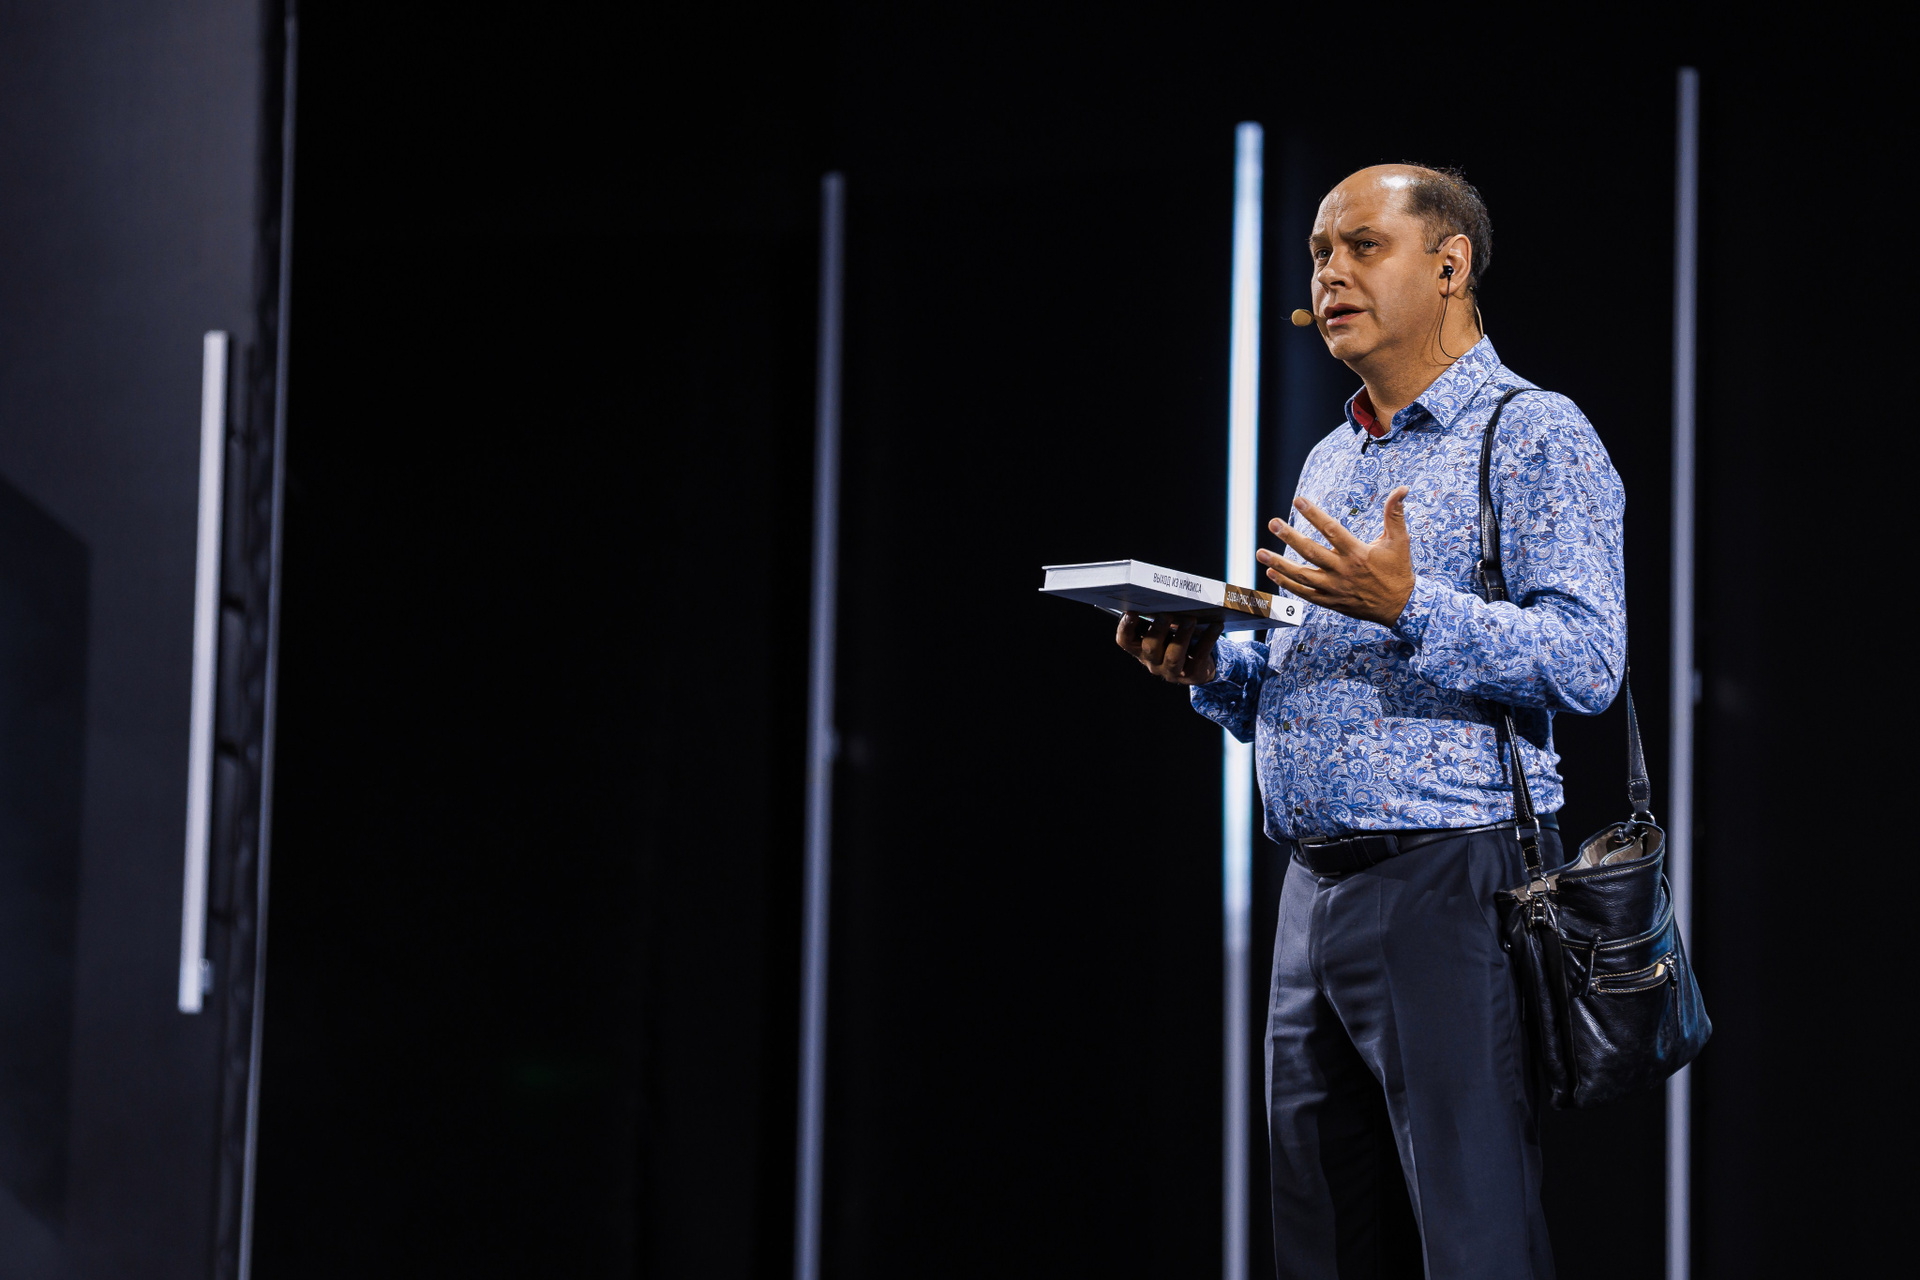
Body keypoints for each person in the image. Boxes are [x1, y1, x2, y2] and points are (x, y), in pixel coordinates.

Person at [1115, 164, 1626, 1279]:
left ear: (1450, 264)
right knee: (1324, 1242)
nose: (1329, 274)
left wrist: (1410, 605)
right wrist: (1213, 669)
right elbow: (1317, 673)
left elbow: (1588, 662)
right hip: (1313, 891)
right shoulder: (1336, 453)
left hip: (1450, 881)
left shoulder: (1532, 432)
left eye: (1361, 246)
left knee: (1472, 1238)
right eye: (1317, 255)